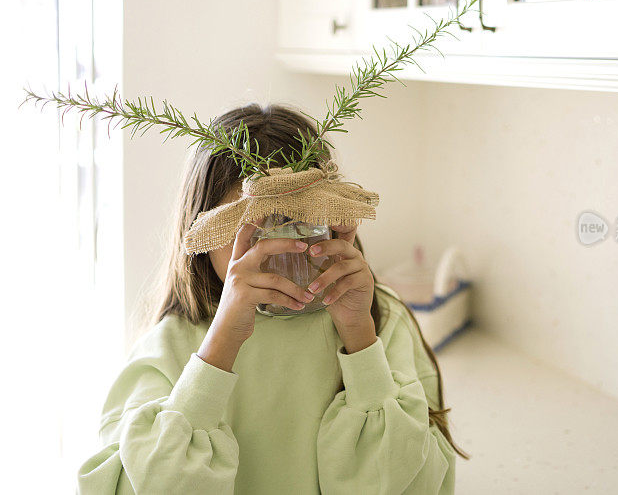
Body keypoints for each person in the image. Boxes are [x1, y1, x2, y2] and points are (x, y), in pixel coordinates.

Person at [76, 103, 468, 494]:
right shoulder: (170, 347)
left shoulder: (381, 322)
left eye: (298, 222)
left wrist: (360, 339)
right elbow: (134, 485)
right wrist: (219, 349)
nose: (278, 250)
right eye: (254, 229)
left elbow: (415, 481)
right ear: (202, 229)